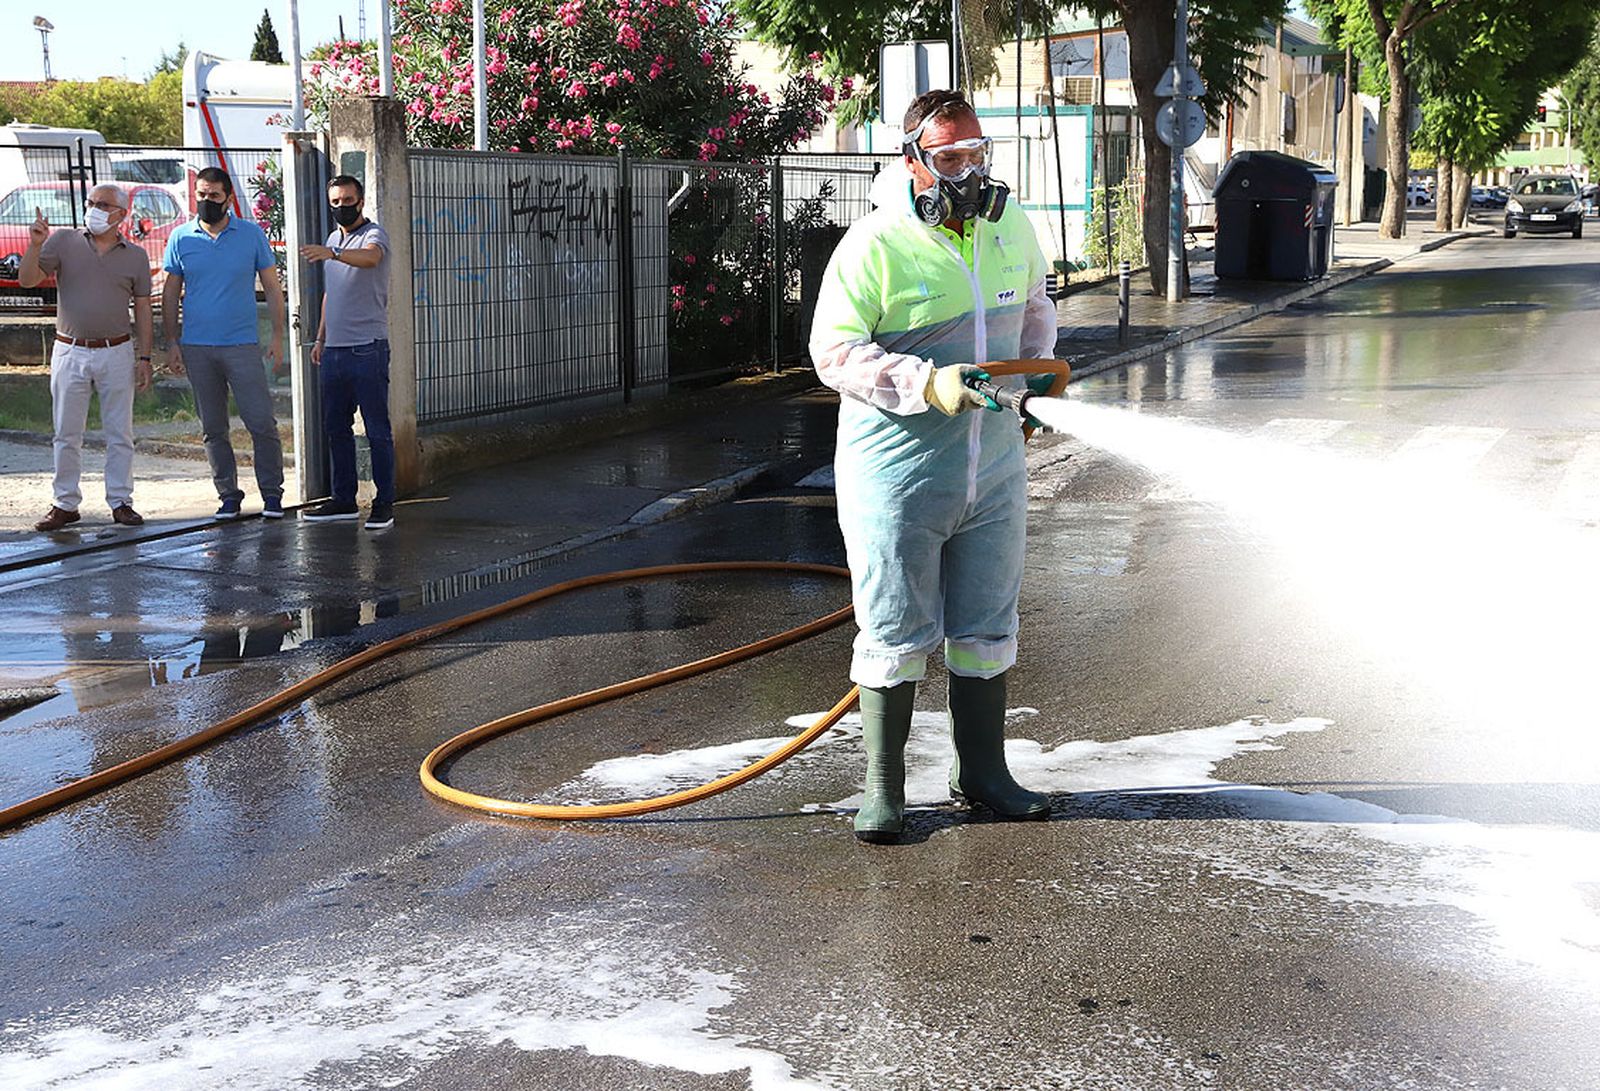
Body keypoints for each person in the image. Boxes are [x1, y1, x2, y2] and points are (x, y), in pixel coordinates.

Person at [808, 89, 1061, 844]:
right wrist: (927, 382)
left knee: (986, 623)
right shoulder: (875, 244)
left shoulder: (1008, 224)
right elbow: (835, 353)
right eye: (951, 157)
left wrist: (1039, 369)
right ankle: (884, 788)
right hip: (900, 472)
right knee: (893, 627)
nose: (969, 172)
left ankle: (982, 771)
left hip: (993, 472)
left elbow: (1037, 302)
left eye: (977, 154)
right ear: (913, 159)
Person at [21, 184, 154, 532]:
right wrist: (35, 245)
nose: (94, 209)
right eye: (91, 202)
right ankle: (65, 503)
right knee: (66, 431)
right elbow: (28, 280)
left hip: (117, 350)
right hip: (69, 348)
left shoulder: (135, 256)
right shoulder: (63, 241)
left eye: (104, 204)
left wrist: (145, 357)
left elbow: (142, 309)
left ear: (121, 214)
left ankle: (121, 501)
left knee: (119, 432)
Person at [161, 166, 287, 520]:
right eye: (201, 195)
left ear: (228, 197)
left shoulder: (251, 235)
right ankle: (228, 495)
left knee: (261, 422)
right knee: (213, 428)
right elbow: (171, 292)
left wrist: (276, 336)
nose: (206, 201)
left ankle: (272, 494)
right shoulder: (181, 238)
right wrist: (171, 341)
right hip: (197, 347)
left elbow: (273, 288)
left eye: (213, 196)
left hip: (242, 345)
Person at [298, 174, 396, 530]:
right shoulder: (333, 239)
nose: (342, 207)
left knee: (376, 430)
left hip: (367, 348)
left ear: (361, 199)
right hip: (335, 350)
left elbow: (371, 259)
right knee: (336, 427)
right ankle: (344, 500)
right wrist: (321, 338)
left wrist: (334, 252)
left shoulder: (373, 235)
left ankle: (384, 503)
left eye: (347, 200)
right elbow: (331, 292)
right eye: (335, 202)